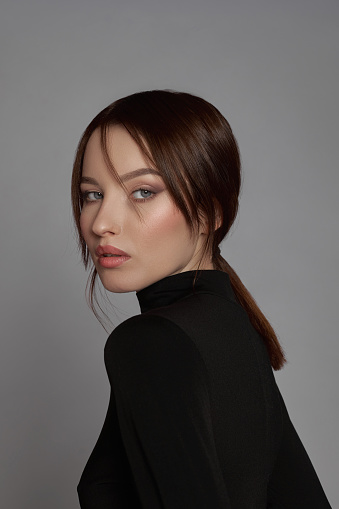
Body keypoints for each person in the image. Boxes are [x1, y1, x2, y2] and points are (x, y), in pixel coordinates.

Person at [71, 90, 331, 508]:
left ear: (211, 212)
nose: (101, 223)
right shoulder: (233, 326)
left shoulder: (152, 342)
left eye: (142, 192)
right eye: (92, 194)